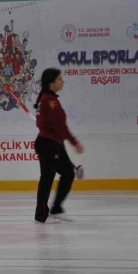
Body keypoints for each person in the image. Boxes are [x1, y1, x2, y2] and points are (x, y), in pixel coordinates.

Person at [33, 68, 84, 224]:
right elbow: (60, 126)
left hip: (55, 144)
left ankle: (56, 209)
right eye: (60, 79)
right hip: (48, 144)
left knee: (68, 173)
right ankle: (41, 216)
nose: (63, 81)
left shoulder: (48, 99)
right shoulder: (49, 101)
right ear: (51, 83)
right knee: (47, 180)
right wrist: (74, 142)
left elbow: (45, 123)